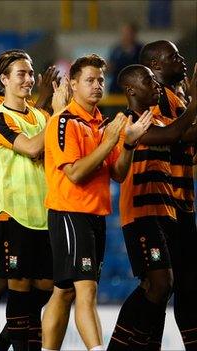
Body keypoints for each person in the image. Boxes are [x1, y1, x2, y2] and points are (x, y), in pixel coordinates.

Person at [41, 54, 151, 351]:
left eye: (100, 80)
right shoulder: (64, 121)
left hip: (94, 215)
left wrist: (127, 142)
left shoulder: (102, 124)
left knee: (63, 292)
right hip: (69, 213)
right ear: (73, 84)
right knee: (86, 291)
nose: (97, 85)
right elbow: (75, 173)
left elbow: (118, 172)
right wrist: (108, 141)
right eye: (89, 80)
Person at [108, 64, 197, 350]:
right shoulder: (126, 122)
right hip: (141, 214)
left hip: (164, 213)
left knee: (160, 287)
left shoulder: (156, 121)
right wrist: (194, 103)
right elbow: (174, 135)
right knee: (159, 284)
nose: (156, 84)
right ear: (132, 89)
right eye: (149, 80)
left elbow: (177, 134)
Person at [0, 50, 58, 351]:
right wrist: (58, 113)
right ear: (4, 80)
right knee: (20, 289)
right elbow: (29, 147)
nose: (28, 78)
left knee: (46, 287)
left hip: (41, 213)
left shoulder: (40, 116)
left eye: (30, 73)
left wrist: (52, 116)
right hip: (11, 214)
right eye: (21, 74)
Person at [140, 40, 197, 350]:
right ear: (157, 66)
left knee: (188, 287)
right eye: (174, 56)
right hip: (165, 206)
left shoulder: (178, 99)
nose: (183, 60)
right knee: (160, 287)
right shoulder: (157, 99)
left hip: (183, 204)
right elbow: (179, 134)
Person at [108, 22, 143, 93]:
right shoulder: (116, 50)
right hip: (116, 89)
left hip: (135, 90)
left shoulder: (141, 50)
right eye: (124, 33)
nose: (126, 36)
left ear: (134, 34)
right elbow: (109, 68)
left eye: (128, 33)